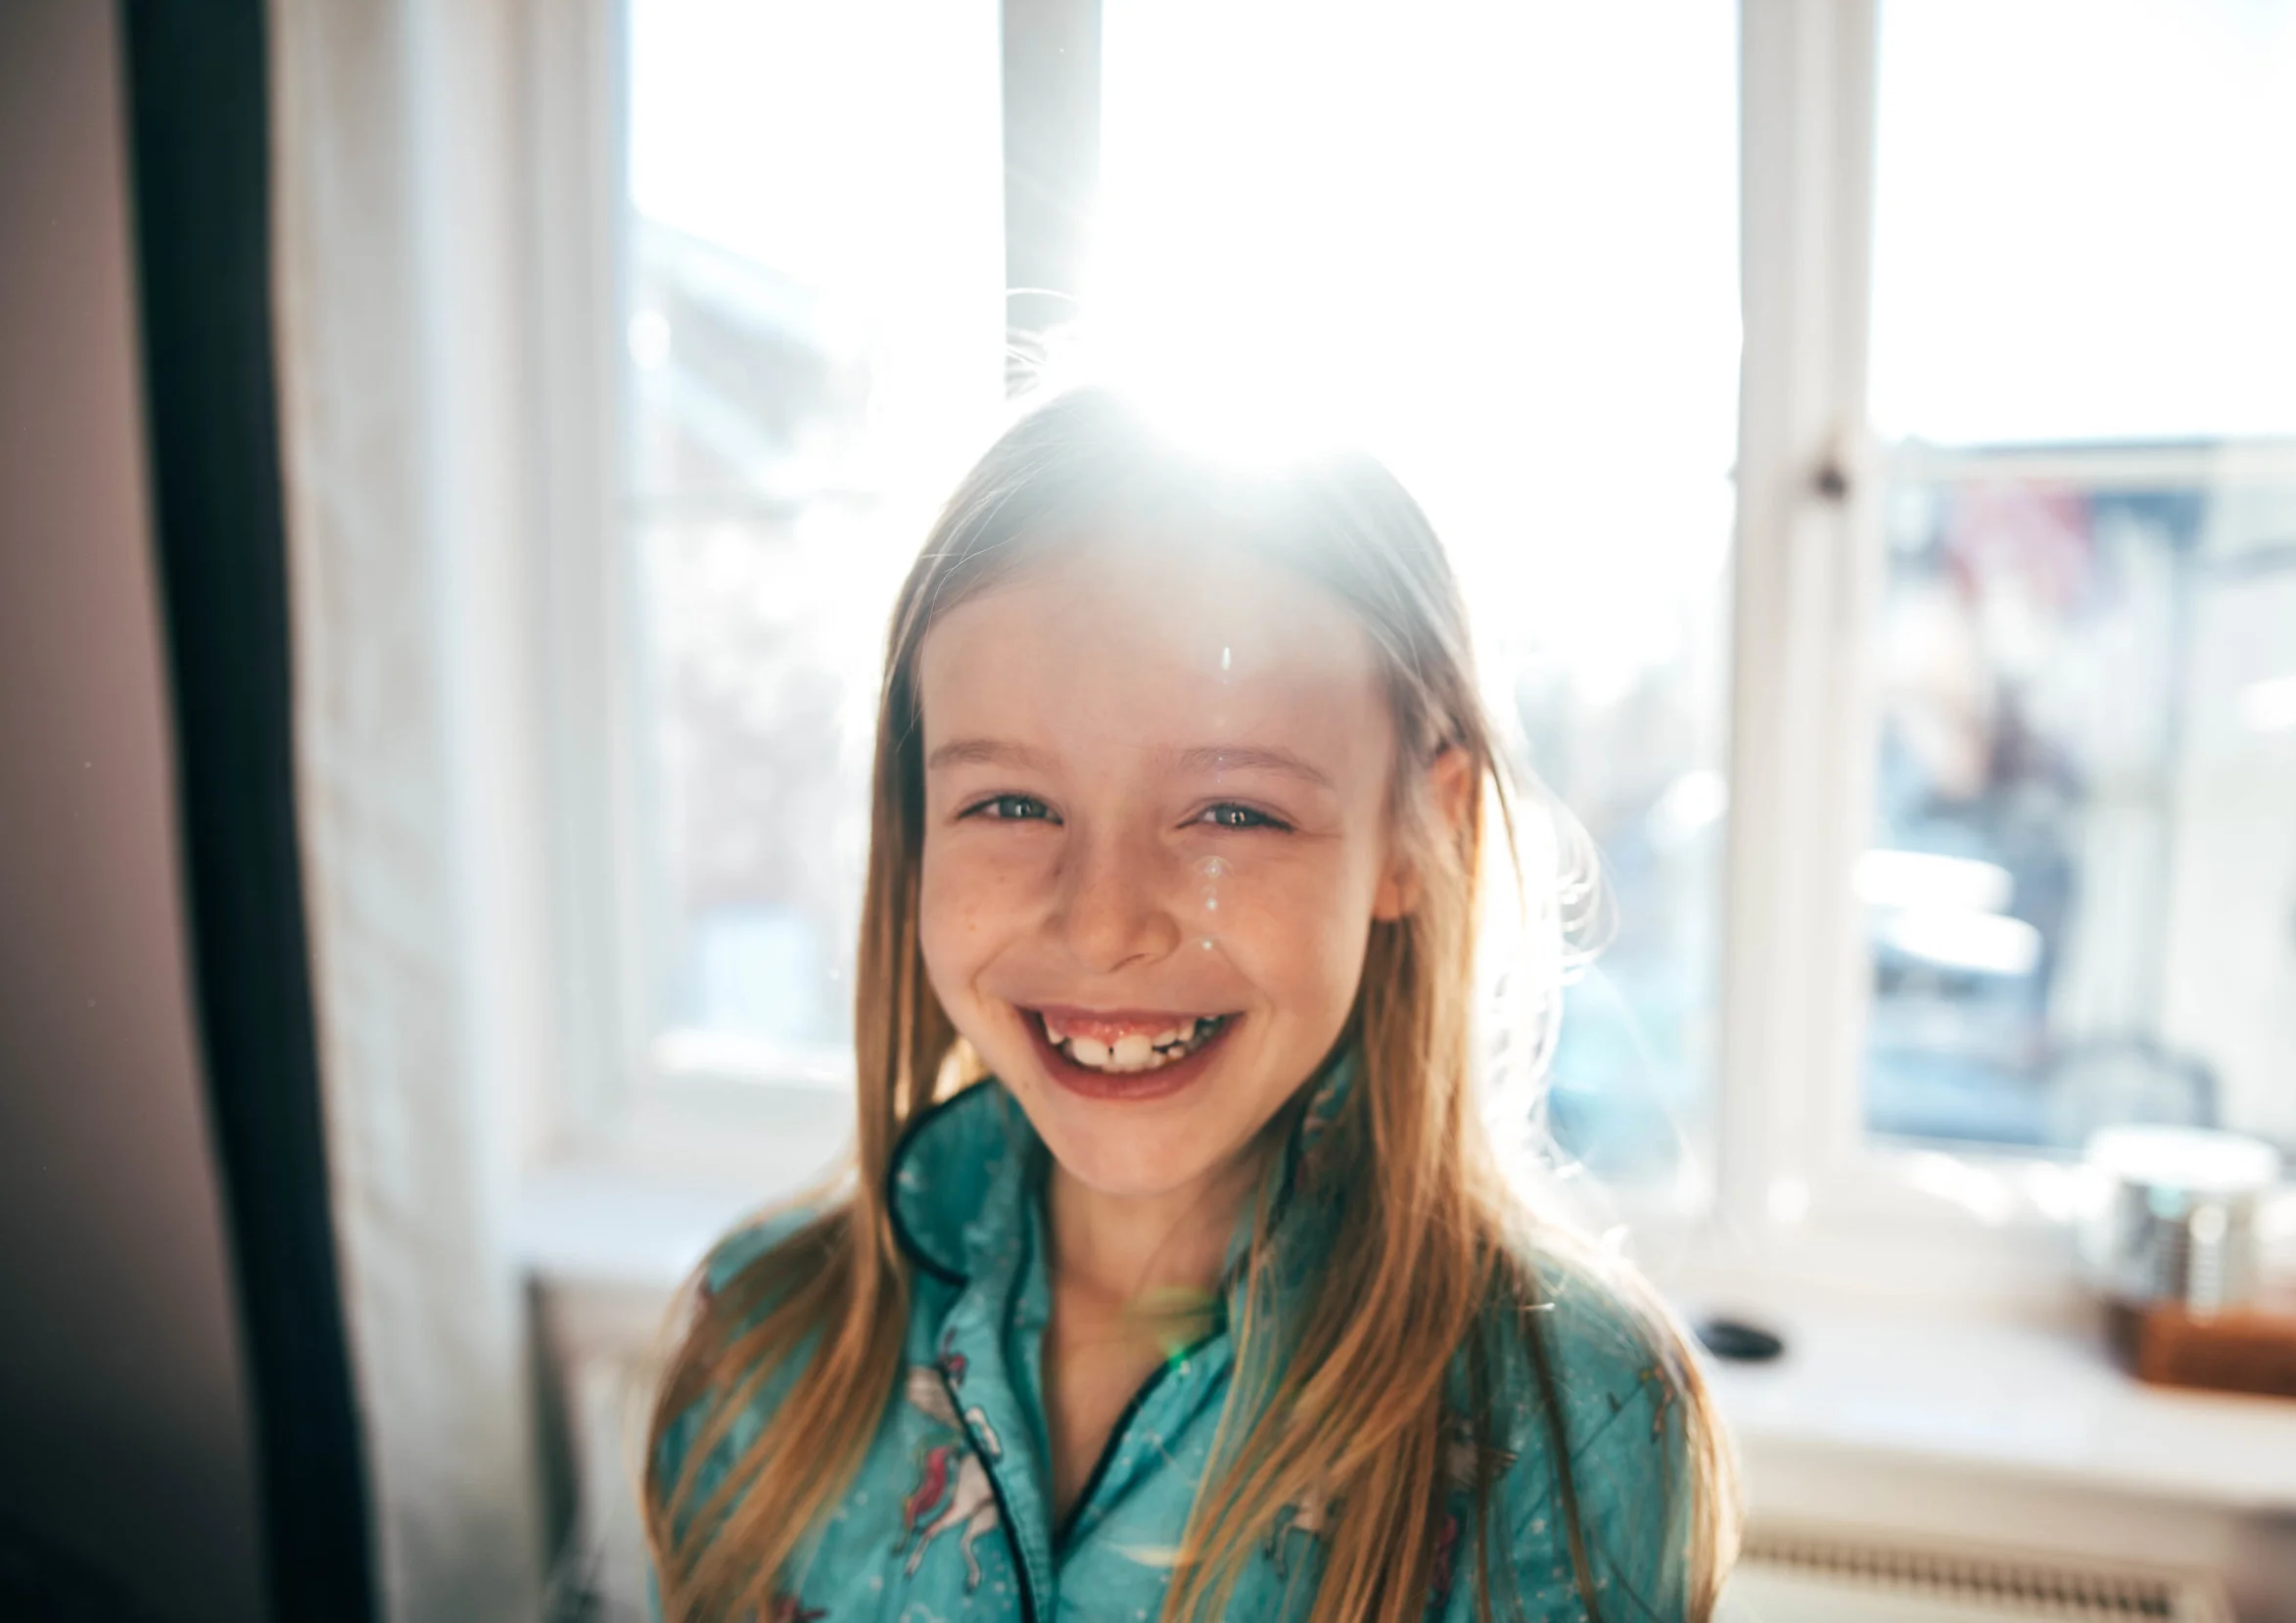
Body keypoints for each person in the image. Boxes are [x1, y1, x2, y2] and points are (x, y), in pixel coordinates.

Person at [643, 387, 1739, 1622]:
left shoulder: (1571, 1415)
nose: (1103, 924)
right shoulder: (760, 1342)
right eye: (1009, 804)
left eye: (1233, 812)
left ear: (1416, 828)